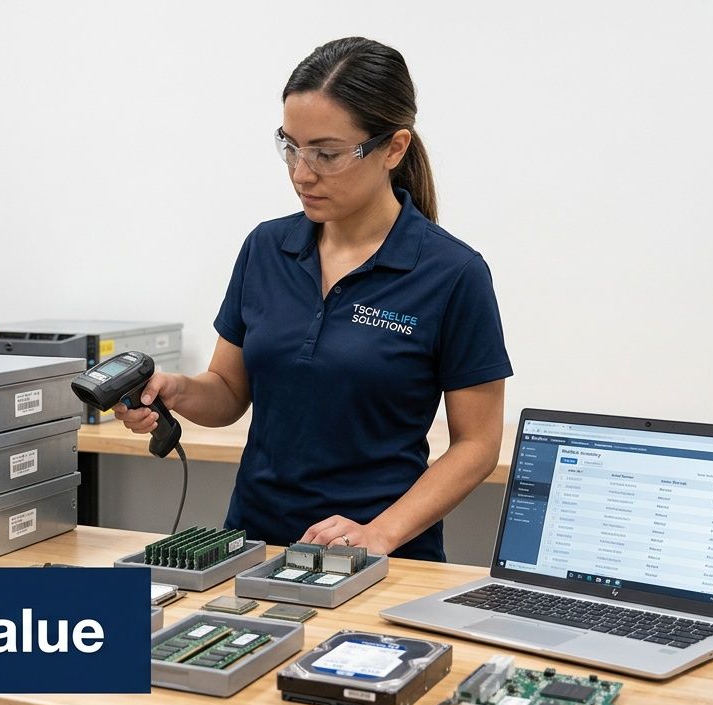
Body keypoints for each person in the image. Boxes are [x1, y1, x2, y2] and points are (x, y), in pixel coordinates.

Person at [113, 37, 512, 561]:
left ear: (393, 148)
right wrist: (176, 390)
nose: (302, 173)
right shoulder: (265, 247)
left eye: (326, 154)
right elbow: (229, 391)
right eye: (291, 147)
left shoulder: (453, 273)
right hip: (253, 545)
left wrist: (381, 533)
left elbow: (477, 445)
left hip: (378, 560)